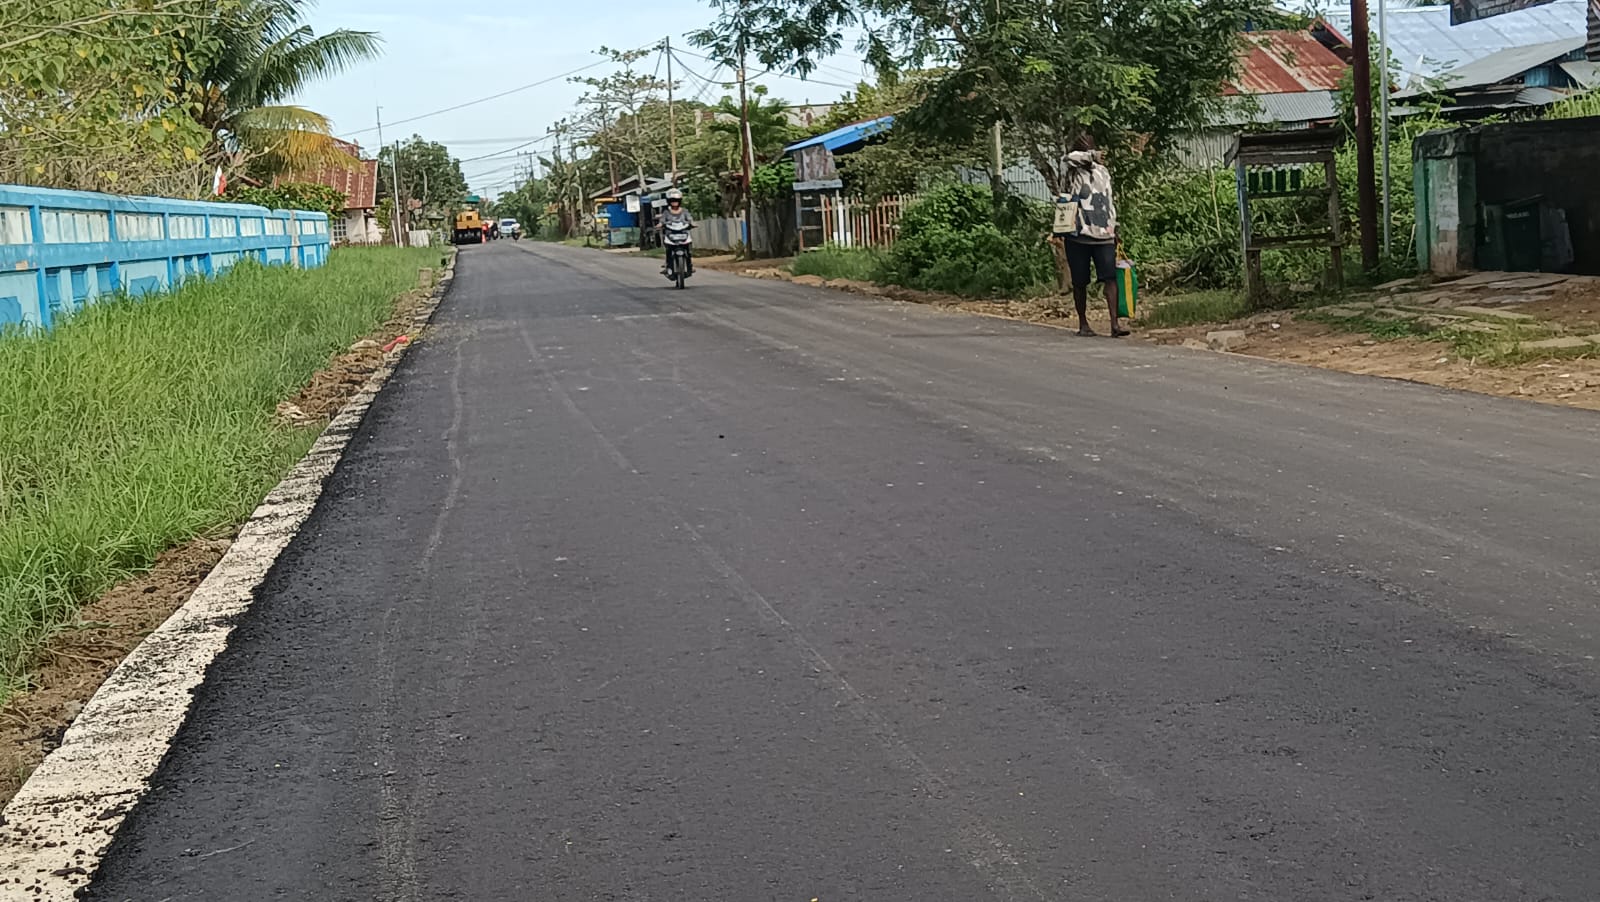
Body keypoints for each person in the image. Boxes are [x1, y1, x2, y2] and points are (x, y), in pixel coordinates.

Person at [1060, 138, 1128, 337]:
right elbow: (1069, 158)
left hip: (1104, 233)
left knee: (1110, 278)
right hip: (1078, 233)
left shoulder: (1102, 171)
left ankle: (1114, 323)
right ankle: (1083, 323)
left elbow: (1108, 199)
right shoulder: (1071, 169)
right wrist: (1091, 155)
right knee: (1080, 281)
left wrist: (1114, 228)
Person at [659, 189, 693, 274]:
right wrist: (660, 224)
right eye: (672, 201)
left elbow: (689, 219)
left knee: (688, 251)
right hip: (670, 234)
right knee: (668, 250)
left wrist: (692, 223)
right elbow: (662, 220)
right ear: (669, 202)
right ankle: (668, 266)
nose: (675, 203)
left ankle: (690, 266)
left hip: (683, 233)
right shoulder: (666, 212)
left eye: (676, 201)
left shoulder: (684, 211)